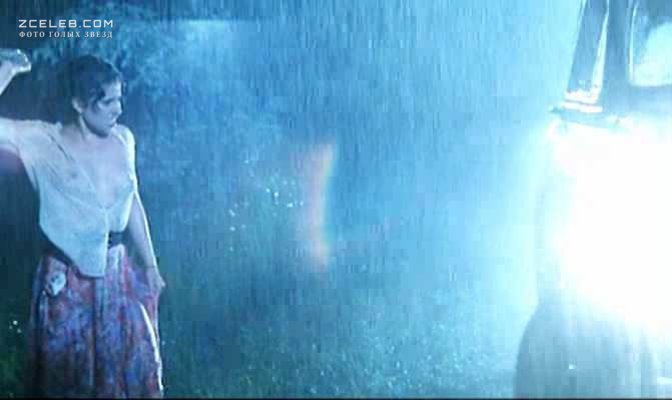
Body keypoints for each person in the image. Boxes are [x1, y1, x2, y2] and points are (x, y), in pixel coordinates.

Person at [0, 51, 165, 398]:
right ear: (78, 103)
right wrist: (7, 71)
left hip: (118, 276)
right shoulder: (42, 141)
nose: (118, 109)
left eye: (119, 99)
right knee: (67, 380)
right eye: (107, 102)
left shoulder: (124, 140)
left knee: (126, 375)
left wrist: (150, 264)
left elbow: (132, 200)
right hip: (66, 281)